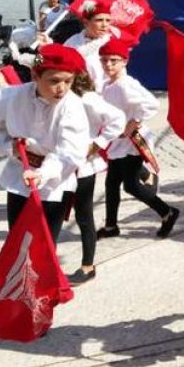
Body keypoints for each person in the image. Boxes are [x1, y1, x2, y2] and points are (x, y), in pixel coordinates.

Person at [0, 44, 90, 241]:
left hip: (54, 182)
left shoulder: (72, 106)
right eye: (53, 81)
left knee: (45, 242)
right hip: (19, 177)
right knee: (18, 238)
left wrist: (43, 173)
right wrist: (7, 146)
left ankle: (42, 272)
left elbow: (70, 151)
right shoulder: (11, 97)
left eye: (68, 81)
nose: (61, 89)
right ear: (35, 76)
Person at [95, 38, 182, 239]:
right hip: (117, 141)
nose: (108, 64)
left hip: (131, 142)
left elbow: (152, 104)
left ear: (124, 61)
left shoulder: (126, 85)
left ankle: (167, 212)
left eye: (114, 60)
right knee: (111, 184)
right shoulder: (108, 84)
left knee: (131, 185)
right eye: (105, 60)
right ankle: (110, 225)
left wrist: (135, 120)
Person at [61, 70, 125, 284]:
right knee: (50, 216)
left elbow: (117, 118)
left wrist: (97, 144)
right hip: (55, 167)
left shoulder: (87, 98)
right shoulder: (48, 94)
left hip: (82, 167)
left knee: (83, 217)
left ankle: (87, 266)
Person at [63, 0, 116, 85]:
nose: (104, 24)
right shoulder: (73, 41)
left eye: (108, 20)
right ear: (86, 22)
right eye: (99, 20)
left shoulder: (112, 44)